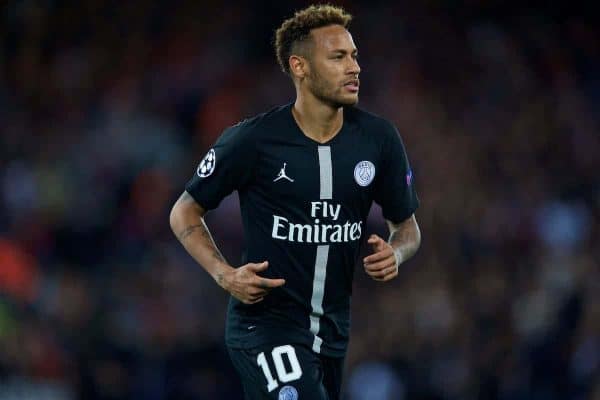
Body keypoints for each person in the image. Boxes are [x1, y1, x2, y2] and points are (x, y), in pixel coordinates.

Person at [169, 4, 421, 399]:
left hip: (332, 334)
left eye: (354, 55)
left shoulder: (379, 139)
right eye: (337, 57)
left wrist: (397, 253)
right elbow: (184, 210)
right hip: (264, 326)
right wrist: (224, 274)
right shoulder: (252, 140)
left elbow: (407, 227)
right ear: (299, 67)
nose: (354, 67)